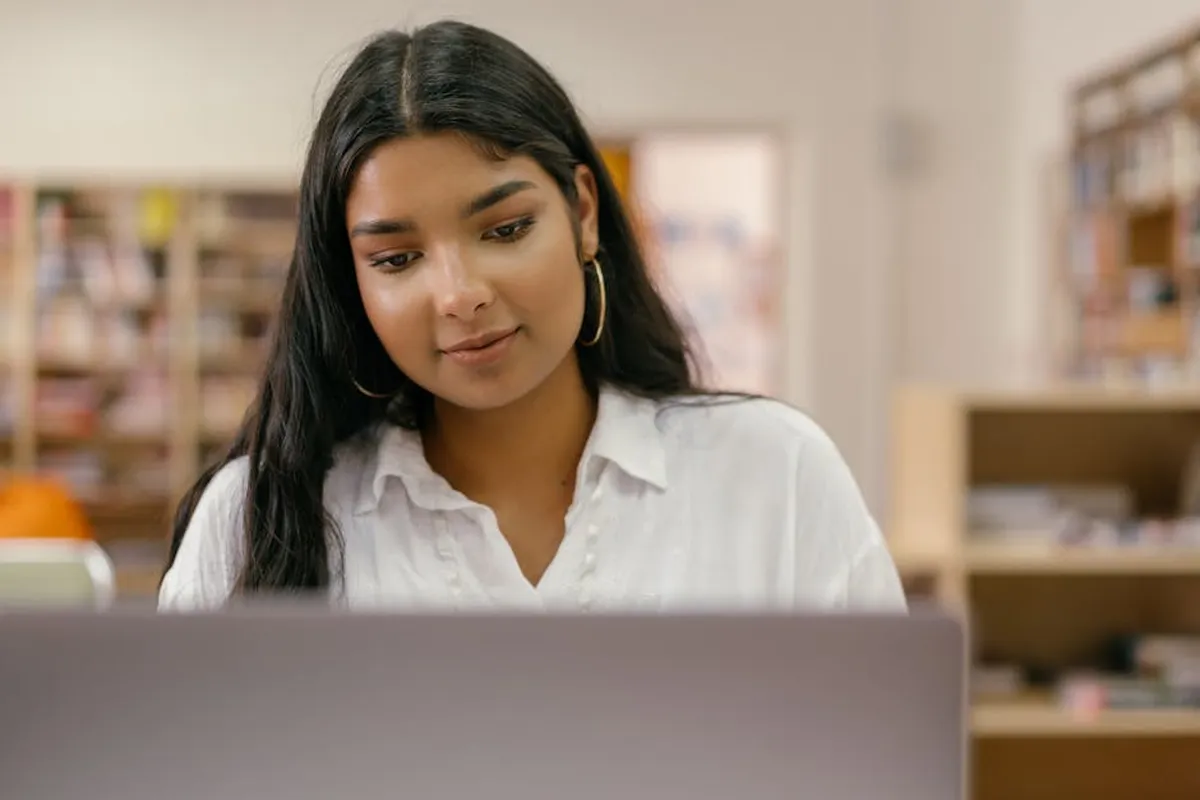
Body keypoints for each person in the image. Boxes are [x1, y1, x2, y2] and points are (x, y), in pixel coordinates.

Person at [158, 20, 906, 613]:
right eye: (396, 259)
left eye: (506, 230)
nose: (459, 294)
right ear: (349, 280)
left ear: (583, 212)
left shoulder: (774, 476)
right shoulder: (254, 523)